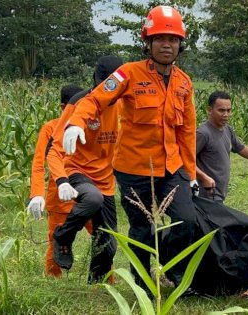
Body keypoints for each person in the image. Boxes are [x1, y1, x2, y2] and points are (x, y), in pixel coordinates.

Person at [60, 5, 197, 294]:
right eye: (160, 38)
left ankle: (172, 268)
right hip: (134, 168)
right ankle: (142, 286)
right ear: (147, 42)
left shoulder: (184, 83)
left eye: (173, 40)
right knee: (142, 230)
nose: (166, 45)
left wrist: (192, 173)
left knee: (188, 220)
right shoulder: (127, 75)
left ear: (180, 44)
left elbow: (186, 132)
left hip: (172, 167)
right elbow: (94, 100)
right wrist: (76, 123)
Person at [48, 55, 123, 283]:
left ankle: (96, 284)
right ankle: (63, 236)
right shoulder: (80, 103)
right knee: (92, 199)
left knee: (108, 243)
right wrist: (61, 180)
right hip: (77, 171)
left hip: (106, 179)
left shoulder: (125, 104)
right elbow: (55, 149)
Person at [26, 83, 89, 277]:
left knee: (104, 236)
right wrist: (37, 194)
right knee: (56, 239)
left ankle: (103, 280)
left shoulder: (91, 125)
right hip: (60, 195)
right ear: (64, 108)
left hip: (89, 193)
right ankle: (53, 280)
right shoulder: (51, 129)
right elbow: (38, 163)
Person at [196, 90, 248, 202]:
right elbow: (187, 161)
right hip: (207, 194)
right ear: (209, 110)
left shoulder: (227, 129)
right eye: (221, 110)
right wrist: (204, 177)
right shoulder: (203, 133)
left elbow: (241, 148)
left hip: (219, 192)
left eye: (228, 110)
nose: (226, 114)